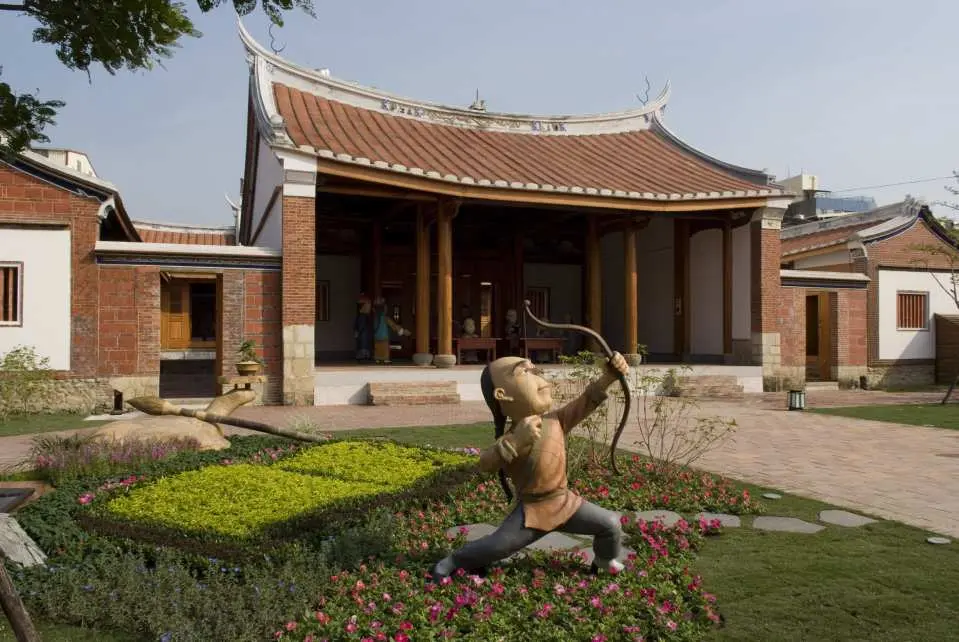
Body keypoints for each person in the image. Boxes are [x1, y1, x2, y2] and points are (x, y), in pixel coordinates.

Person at [429, 352, 629, 581]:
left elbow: (587, 401)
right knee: (497, 547)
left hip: (565, 502)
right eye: (525, 372)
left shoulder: (556, 420)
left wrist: (610, 376)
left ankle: (604, 561)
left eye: (535, 370)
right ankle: (453, 561)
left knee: (610, 524)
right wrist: (516, 441)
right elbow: (486, 463)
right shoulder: (512, 438)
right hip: (532, 512)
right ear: (502, 395)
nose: (537, 375)